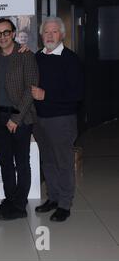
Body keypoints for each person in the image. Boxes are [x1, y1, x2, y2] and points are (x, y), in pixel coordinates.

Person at [32, 16, 84, 222]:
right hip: (40, 120)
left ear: (62, 34)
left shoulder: (71, 59)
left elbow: (77, 94)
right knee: (48, 161)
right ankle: (52, 197)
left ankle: (64, 203)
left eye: (54, 31)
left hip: (62, 120)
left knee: (63, 162)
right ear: (41, 35)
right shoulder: (38, 56)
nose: (50, 35)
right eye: (46, 31)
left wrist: (47, 96)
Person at [0, 18, 39, 220]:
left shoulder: (26, 55)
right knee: (5, 162)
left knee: (21, 162)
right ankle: (10, 199)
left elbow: (31, 88)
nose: (2, 37)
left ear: (13, 33)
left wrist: (16, 118)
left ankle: (19, 206)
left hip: (20, 116)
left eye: (6, 32)